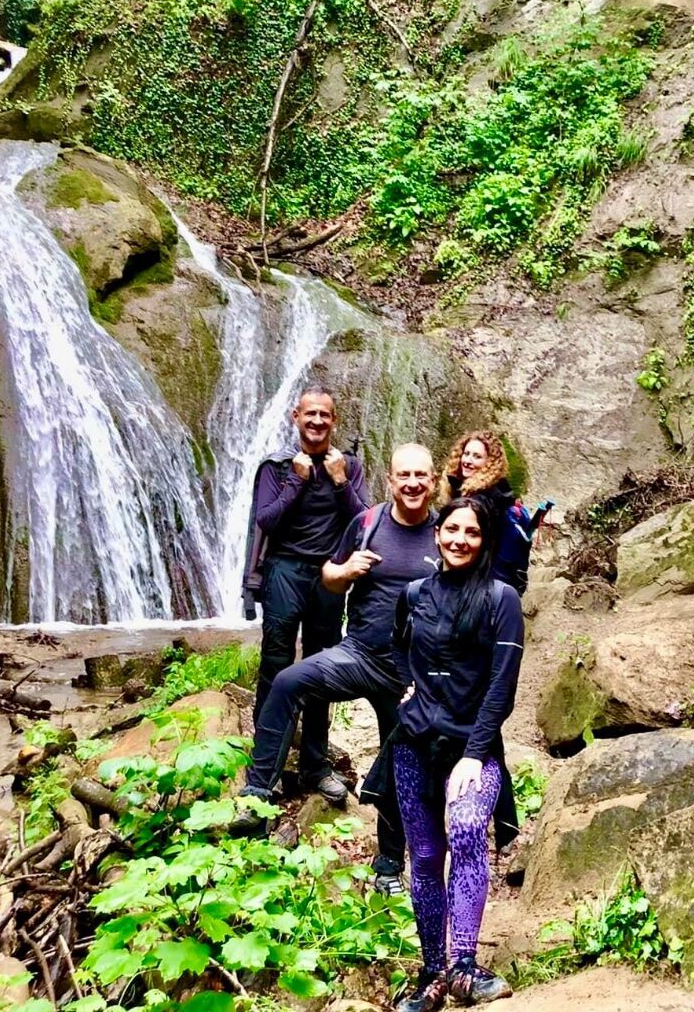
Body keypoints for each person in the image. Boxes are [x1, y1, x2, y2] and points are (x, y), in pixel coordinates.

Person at [237, 444, 439, 894]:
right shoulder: (367, 523)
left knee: (400, 764)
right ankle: (257, 795)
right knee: (288, 682)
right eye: (403, 475)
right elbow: (328, 574)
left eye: (420, 476)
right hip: (358, 655)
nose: (411, 483)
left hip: (409, 676)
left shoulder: (446, 533)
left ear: (433, 480)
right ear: (390, 480)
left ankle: (388, 867)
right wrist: (345, 570)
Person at [391, 496, 523, 1010]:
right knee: (424, 857)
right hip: (413, 745)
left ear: (484, 540)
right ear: (437, 534)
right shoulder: (414, 593)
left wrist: (473, 753)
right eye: (451, 530)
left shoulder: (501, 598)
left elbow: (502, 687)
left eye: (471, 532)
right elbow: (395, 646)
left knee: (467, 828)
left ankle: (464, 964)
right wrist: (404, 685)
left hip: (473, 748)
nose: (459, 539)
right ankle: (432, 973)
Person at [251, 385, 369, 801]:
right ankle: (266, 765)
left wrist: (339, 483)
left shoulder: (348, 467)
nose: (317, 421)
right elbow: (265, 520)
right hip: (284, 570)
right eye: (310, 414)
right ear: (295, 418)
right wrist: (296, 484)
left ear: (334, 421)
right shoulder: (278, 467)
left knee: (323, 669)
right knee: (275, 665)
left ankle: (315, 766)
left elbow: (365, 522)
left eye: (325, 415)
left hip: (329, 576)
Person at [438, 431, 528, 594]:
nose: (467, 460)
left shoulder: (482, 500)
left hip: (480, 584)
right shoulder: (495, 493)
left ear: (490, 463)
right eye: (466, 454)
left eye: (476, 456)